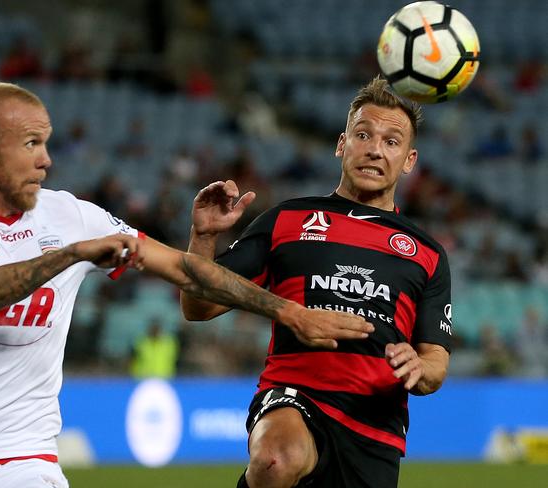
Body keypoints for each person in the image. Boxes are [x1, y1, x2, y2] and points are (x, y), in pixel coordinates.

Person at [0, 82, 374, 488]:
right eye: (29, 144)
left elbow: (185, 271)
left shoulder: (71, 215)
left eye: (47, 144)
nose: (45, 161)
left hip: (24, 461)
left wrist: (288, 311)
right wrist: (68, 255)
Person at [181, 77, 452, 488]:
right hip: (295, 394)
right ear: (342, 144)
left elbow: (435, 361)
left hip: (373, 428)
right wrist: (202, 238)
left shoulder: (426, 253)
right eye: (363, 135)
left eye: (391, 141)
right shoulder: (286, 221)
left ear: (409, 160)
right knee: (274, 459)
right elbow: (197, 307)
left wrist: (420, 366)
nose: (375, 149)